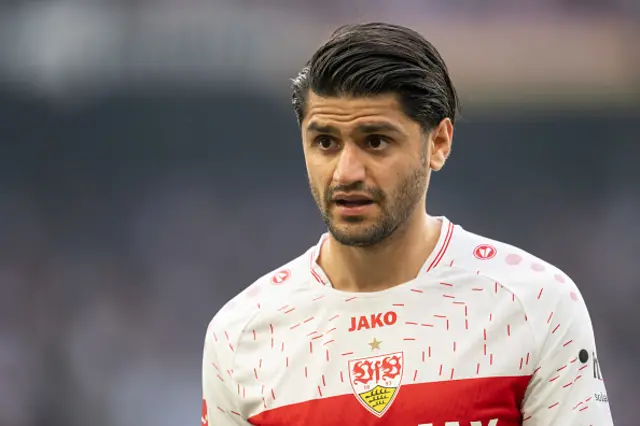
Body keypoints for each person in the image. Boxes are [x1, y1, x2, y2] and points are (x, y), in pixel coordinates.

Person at [201, 22, 614, 425]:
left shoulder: (536, 304)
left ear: (438, 143)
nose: (346, 172)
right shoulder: (242, 333)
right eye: (325, 142)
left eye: (376, 141)